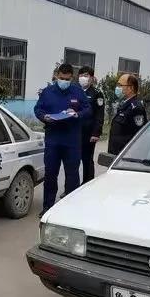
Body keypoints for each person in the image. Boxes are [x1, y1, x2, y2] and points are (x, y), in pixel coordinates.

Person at [35, 63, 91, 216]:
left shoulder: (77, 91)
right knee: (50, 175)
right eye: (61, 78)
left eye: (67, 79)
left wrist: (77, 114)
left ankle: (70, 211)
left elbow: (88, 109)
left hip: (72, 141)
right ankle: (47, 207)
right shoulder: (48, 92)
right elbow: (38, 109)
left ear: (72, 78)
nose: (64, 81)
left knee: (72, 176)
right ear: (56, 76)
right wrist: (44, 117)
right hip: (53, 140)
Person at [77, 66, 104, 184]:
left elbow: (99, 115)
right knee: (73, 160)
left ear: (92, 78)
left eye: (86, 75)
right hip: (75, 132)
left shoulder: (97, 94)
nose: (83, 78)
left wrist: (96, 133)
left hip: (88, 133)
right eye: (81, 75)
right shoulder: (75, 91)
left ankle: (87, 184)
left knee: (87, 160)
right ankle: (72, 186)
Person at [108, 73, 147, 155]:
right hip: (116, 152)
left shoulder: (136, 108)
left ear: (130, 88)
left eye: (120, 85)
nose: (117, 88)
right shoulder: (124, 104)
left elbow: (138, 135)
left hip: (125, 154)